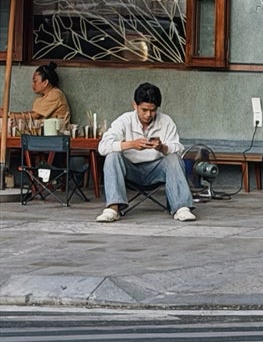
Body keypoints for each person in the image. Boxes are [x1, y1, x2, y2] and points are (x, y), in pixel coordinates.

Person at [96, 81, 195, 223]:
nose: (149, 114)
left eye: (153, 110)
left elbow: (179, 149)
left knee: (173, 158)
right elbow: (102, 147)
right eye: (144, 110)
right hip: (130, 170)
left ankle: (181, 207)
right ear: (134, 105)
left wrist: (163, 148)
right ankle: (113, 208)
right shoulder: (124, 121)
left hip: (156, 170)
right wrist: (131, 144)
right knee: (112, 156)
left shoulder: (166, 121)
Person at [18, 62, 72, 131]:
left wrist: (8, 114)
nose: (33, 85)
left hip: (58, 137)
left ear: (45, 82)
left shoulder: (56, 94)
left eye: (35, 81)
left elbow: (35, 115)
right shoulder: (40, 99)